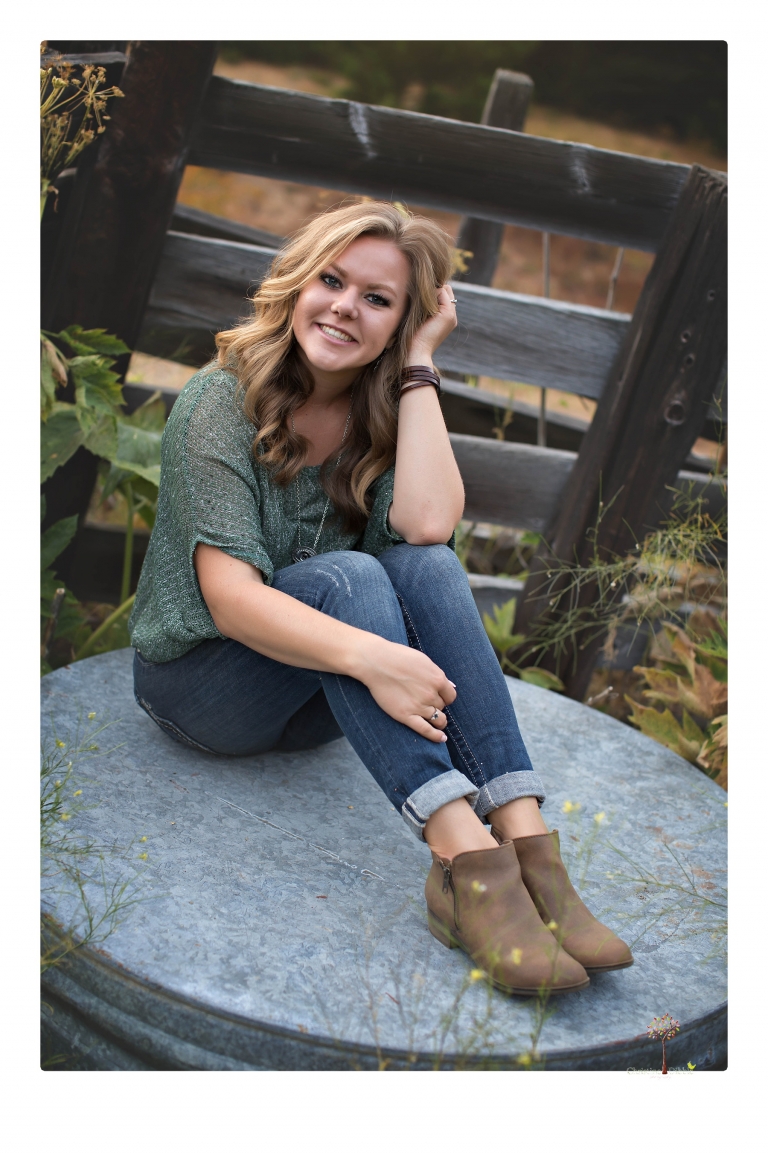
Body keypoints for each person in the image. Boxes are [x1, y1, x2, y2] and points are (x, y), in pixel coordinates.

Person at [129, 200, 632, 996]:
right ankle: (465, 861)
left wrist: (421, 366)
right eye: (331, 280)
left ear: (402, 320)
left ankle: (530, 847)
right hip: (205, 689)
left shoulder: (385, 412)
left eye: (377, 299)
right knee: (355, 577)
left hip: (312, 706)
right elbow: (229, 601)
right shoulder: (217, 402)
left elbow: (429, 526)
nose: (343, 308)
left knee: (423, 565)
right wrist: (379, 659)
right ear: (298, 282)